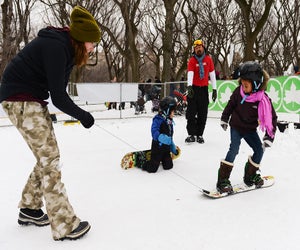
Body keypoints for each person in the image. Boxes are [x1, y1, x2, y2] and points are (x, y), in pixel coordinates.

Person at [0, 6, 101, 241]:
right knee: (50, 160)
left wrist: (80, 114)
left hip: (30, 100)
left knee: (47, 157)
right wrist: (83, 115)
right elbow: (58, 96)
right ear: (82, 38)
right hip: (20, 100)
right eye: (92, 43)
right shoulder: (56, 47)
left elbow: (60, 92)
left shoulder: (67, 50)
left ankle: (29, 209)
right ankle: (64, 225)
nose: (93, 48)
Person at [217, 61, 277, 193]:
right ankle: (222, 180)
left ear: (255, 84)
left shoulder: (263, 99)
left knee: (259, 150)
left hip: (250, 129)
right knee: (234, 149)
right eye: (242, 84)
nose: (242, 88)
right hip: (236, 127)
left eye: (246, 85)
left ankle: (250, 175)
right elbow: (230, 105)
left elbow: (272, 118)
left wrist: (269, 136)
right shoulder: (238, 93)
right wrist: (224, 118)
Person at [185, 39, 217, 144]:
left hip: (203, 89)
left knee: (203, 113)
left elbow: (212, 74)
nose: (198, 49)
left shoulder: (208, 59)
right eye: (196, 48)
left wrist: (214, 89)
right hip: (193, 89)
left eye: (200, 47)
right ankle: (191, 134)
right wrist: (189, 87)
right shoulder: (192, 60)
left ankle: (199, 134)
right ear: (194, 49)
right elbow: (190, 73)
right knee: (191, 113)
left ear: (203, 47)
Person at [143, 96, 179, 173]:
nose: (174, 113)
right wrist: (160, 137)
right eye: (173, 111)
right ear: (167, 110)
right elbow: (154, 131)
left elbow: (170, 135)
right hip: (157, 147)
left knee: (169, 166)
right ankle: (143, 163)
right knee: (152, 169)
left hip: (166, 149)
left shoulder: (169, 121)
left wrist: (172, 145)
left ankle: (162, 159)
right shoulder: (158, 119)